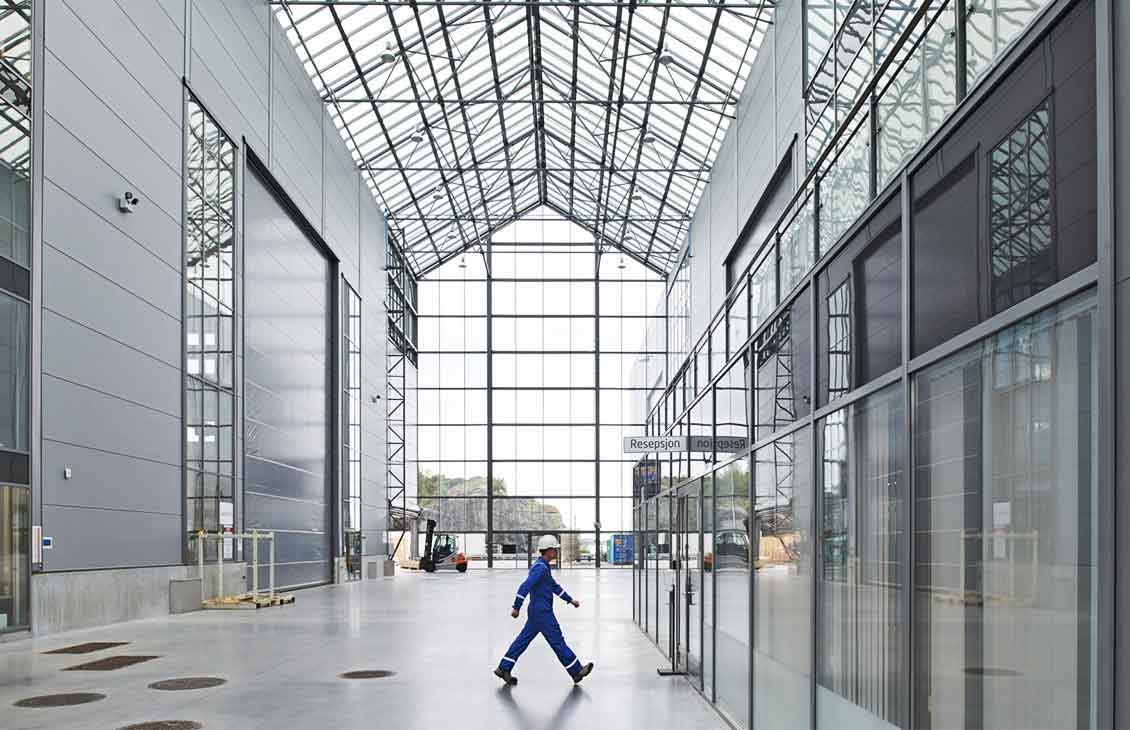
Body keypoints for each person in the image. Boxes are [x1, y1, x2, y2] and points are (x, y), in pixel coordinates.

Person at [494, 535, 594, 686]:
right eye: (555, 549)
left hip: (536, 612)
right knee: (558, 641)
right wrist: (516, 606)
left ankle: (503, 668)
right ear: (548, 550)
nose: (556, 552)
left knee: (522, 640)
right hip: (542, 613)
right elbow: (525, 586)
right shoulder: (540, 568)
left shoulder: (543, 566)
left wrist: (570, 600)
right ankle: (576, 671)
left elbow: (553, 586)